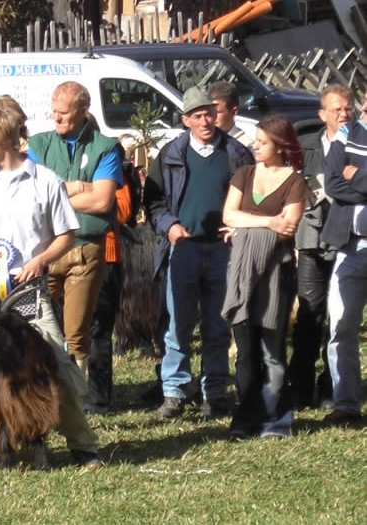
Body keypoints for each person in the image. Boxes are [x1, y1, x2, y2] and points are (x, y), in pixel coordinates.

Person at [0, 98, 104, 470]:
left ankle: (83, 447)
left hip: (29, 294)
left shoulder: (45, 182)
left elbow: (66, 234)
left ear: (2, 141)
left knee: (59, 370)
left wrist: (40, 261)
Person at [144, 87, 254, 419]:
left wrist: (240, 226)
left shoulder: (237, 154)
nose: (205, 120)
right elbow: (153, 201)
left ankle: (215, 392)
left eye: (209, 113)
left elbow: (253, 197)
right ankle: (175, 392)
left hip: (223, 251)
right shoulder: (170, 155)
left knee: (218, 325)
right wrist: (170, 225)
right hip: (184, 249)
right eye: (197, 116)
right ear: (185, 121)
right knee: (178, 325)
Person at [221, 114, 311, 439]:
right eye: (255, 141)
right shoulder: (243, 174)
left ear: (280, 145)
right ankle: (244, 419)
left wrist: (243, 230)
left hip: (277, 274)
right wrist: (268, 223)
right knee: (245, 353)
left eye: (261, 142)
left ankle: (275, 420)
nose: (254, 146)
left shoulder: (295, 182)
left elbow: (288, 227)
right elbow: (228, 215)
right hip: (242, 274)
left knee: (273, 350)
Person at [28, 81, 122, 376]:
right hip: (45, 249)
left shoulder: (104, 148)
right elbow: (33, 195)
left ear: (83, 111)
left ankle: (77, 397)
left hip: (85, 249)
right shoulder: (38, 145)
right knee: (34, 325)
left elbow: (102, 201)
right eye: (54, 112)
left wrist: (54, 192)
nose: (56, 118)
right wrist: (74, 187)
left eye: (64, 113)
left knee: (77, 333)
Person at [289, 84, 354, 411]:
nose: (343, 115)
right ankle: (299, 387)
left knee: (339, 319)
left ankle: (331, 387)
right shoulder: (306, 147)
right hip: (312, 242)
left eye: (347, 110)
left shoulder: (360, 145)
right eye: (337, 110)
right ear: (322, 114)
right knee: (309, 316)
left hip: (346, 241)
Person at [319, 91, 367, 426]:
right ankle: (346, 403)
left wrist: (358, 176)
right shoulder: (349, 135)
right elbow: (334, 184)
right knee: (341, 325)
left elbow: (348, 180)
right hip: (350, 247)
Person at [83, 132, 133, 414]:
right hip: (67, 253)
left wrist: (82, 190)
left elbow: (124, 211)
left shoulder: (112, 163)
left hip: (107, 255)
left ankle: (99, 398)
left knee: (99, 331)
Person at [208, 81, 254, 148]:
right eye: (209, 112)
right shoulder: (201, 142)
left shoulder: (245, 146)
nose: (211, 117)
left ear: (233, 112)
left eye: (217, 112)